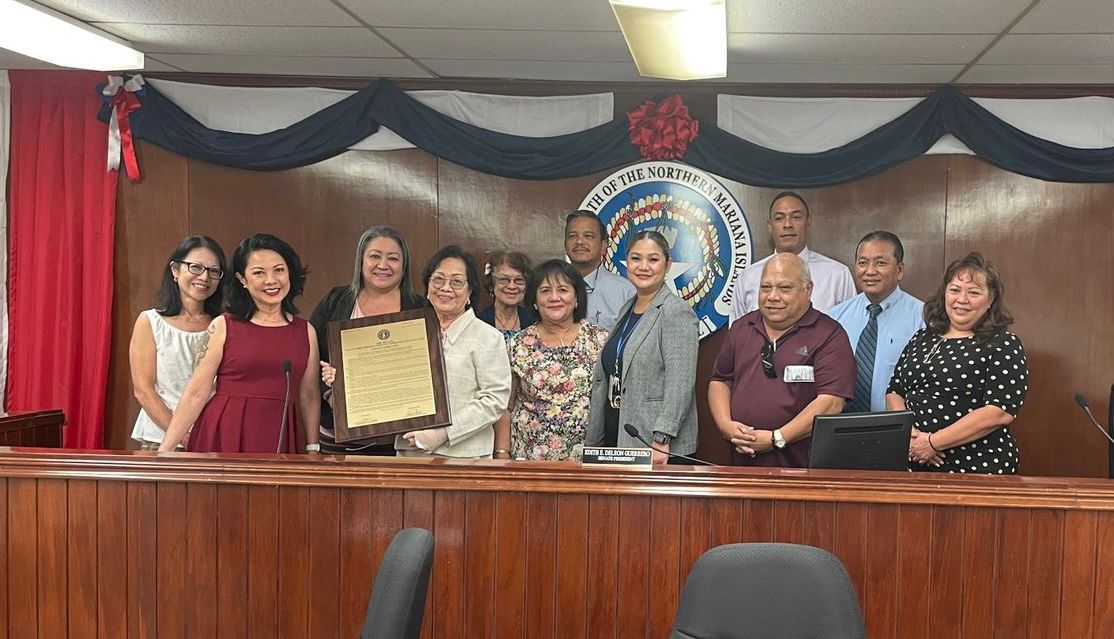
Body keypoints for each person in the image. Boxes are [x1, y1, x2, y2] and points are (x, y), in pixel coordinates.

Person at [158, 234, 321, 454]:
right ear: (242, 279)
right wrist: (164, 452)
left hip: (279, 434)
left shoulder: (305, 331)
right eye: (258, 273)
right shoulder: (223, 326)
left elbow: (309, 395)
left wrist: (313, 448)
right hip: (224, 432)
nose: (271, 280)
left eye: (279, 270)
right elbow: (196, 393)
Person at [887, 252, 1029, 474]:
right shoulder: (922, 338)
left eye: (974, 292)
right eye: (954, 290)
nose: (962, 299)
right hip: (913, 459)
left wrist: (933, 442)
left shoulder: (1003, 344)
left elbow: (1000, 411)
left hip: (975, 466)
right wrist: (908, 434)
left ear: (991, 300)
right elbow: (895, 390)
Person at [709, 253, 855, 467]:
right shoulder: (741, 328)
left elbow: (831, 402)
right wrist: (726, 426)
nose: (772, 297)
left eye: (784, 288)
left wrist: (776, 438)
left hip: (802, 469)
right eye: (765, 288)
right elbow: (720, 380)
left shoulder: (829, 335)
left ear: (808, 289)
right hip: (742, 463)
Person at [585, 230, 699, 464]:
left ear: (668, 265)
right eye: (636, 258)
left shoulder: (675, 310)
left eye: (653, 259)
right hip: (618, 432)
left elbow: (680, 383)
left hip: (656, 443)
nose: (643, 266)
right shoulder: (628, 307)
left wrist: (662, 437)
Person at [310, 226, 425, 455]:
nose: (383, 265)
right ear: (361, 261)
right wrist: (329, 390)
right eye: (374, 256)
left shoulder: (420, 308)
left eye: (393, 258)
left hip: (398, 442)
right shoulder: (336, 301)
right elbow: (311, 361)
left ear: (404, 266)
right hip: (338, 439)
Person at [396, 245, 511, 458]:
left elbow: (494, 400)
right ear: (428, 286)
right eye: (438, 279)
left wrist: (443, 433)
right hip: (411, 453)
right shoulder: (408, 332)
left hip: (465, 458)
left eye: (457, 281)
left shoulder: (487, 337)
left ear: (469, 292)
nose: (445, 288)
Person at [497, 259, 607, 461]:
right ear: (534, 301)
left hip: (587, 462)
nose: (554, 297)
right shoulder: (518, 345)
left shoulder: (600, 340)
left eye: (563, 290)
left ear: (576, 299)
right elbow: (506, 407)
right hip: (529, 461)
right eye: (545, 291)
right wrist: (502, 454)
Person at [129, 236, 227, 450]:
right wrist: (181, 435)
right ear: (175, 270)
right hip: (161, 439)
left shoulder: (225, 325)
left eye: (213, 271)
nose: (204, 277)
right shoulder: (151, 321)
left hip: (212, 440)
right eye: (196, 267)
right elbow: (143, 390)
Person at [828, 231, 925, 412]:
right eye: (863, 263)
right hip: (840, 428)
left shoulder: (922, 319)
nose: (870, 271)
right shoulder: (836, 317)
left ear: (900, 270)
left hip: (897, 430)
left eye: (881, 263)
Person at [729, 191, 854, 324]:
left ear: (808, 222)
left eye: (796, 217)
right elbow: (737, 337)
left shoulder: (837, 275)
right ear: (770, 226)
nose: (787, 224)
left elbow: (851, 331)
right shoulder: (747, 278)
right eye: (779, 218)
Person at [565, 210, 635, 332]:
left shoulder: (625, 291)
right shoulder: (550, 291)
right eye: (572, 236)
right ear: (565, 245)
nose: (579, 241)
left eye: (588, 236)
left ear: (603, 246)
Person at [476, 250, 537, 341]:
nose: (511, 286)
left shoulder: (535, 321)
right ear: (491, 284)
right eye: (504, 279)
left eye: (519, 280)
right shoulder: (478, 322)